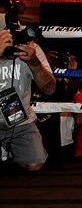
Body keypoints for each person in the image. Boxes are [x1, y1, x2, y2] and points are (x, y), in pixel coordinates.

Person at [0, 31, 56, 171]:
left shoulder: (30, 47)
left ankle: (13, 150)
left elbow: (50, 89)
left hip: (20, 121)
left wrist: (34, 62)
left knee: (35, 164)